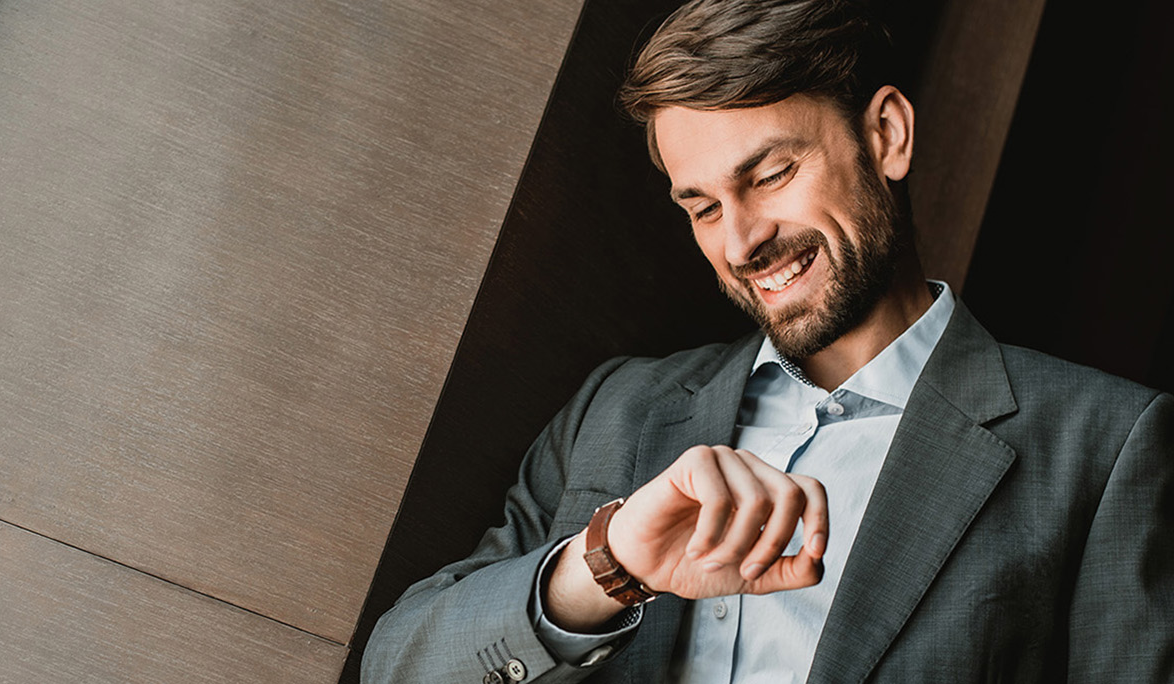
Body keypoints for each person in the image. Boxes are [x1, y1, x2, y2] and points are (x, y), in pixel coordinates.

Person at [362, 0, 1174, 681]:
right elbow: (397, 664)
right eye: (703, 207)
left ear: (886, 135)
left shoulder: (1106, 447)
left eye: (772, 173)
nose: (741, 241)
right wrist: (605, 567)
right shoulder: (619, 406)